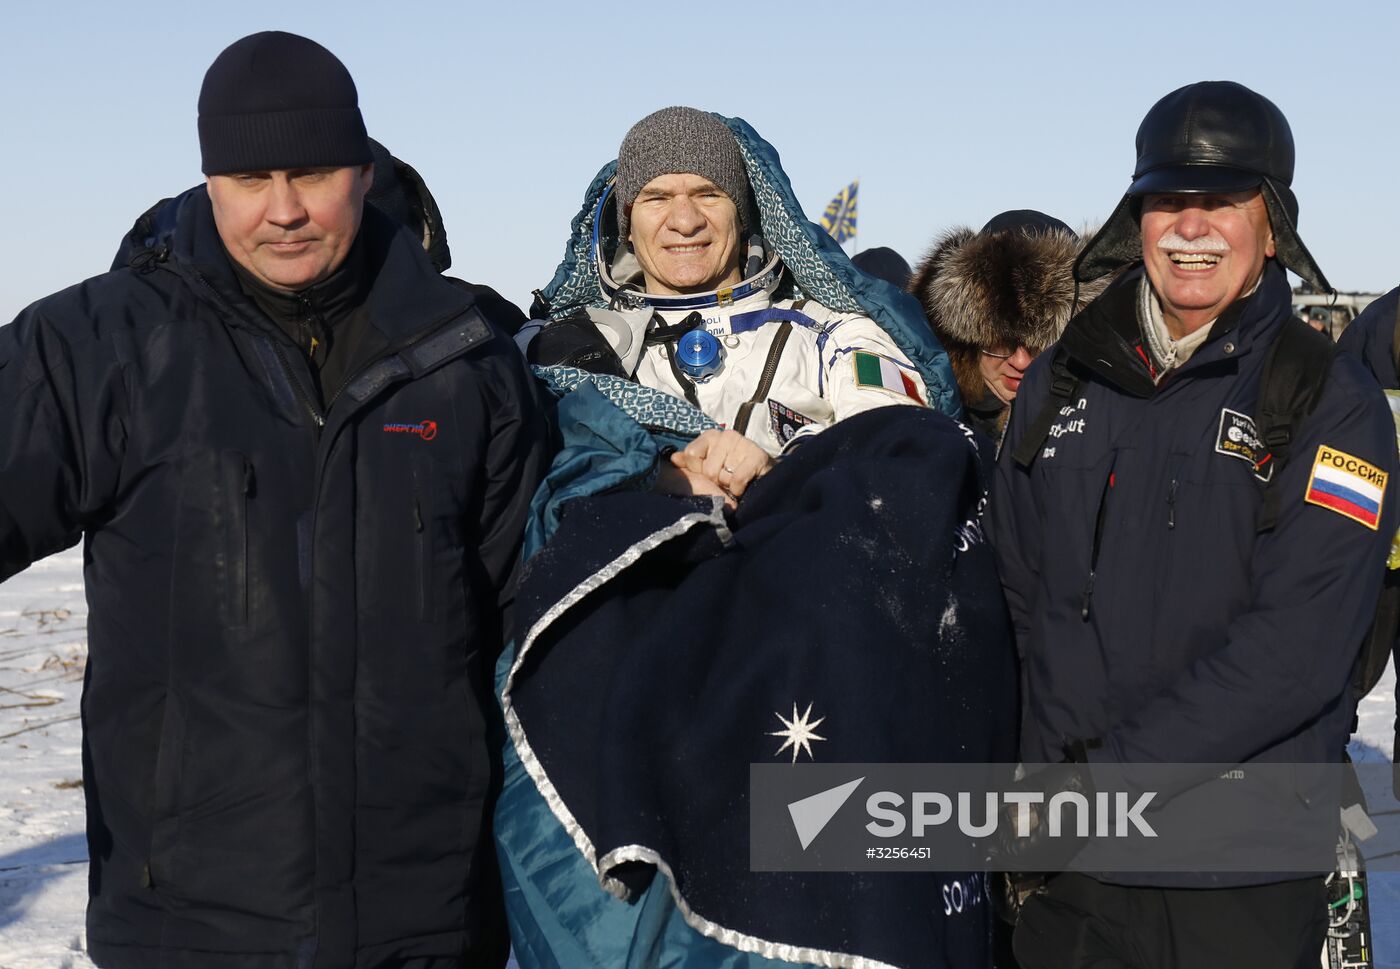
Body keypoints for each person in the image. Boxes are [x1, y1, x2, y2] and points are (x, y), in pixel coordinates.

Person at [0, 31, 548, 968]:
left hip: (426, 922)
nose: (284, 209)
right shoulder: (98, 347)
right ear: (209, 179)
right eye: (251, 178)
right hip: (188, 923)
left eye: (313, 172)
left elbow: (528, 639)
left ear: (366, 172)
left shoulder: (469, 358)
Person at [991, 80, 1398, 968]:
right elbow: (1023, 602)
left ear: (1273, 222)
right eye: (1167, 201)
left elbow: (1298, 653)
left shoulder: (1328, 401)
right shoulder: (1061, 381)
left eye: (1220, 202)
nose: (1190, 227)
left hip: (1236, 874)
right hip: (1071, 875)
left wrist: (1099, 784)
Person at [523, 106, 932, 505]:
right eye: (656, 198)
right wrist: (652, 472)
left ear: (742, 215)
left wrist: (781, 471)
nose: (685, 221)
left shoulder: (835, 336)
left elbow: (899, 454)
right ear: (626, 225)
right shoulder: (563, 353)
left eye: (708, 194)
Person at [909, 210, 1105, 441]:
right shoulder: (922, 426)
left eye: (1042, 341)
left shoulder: (1103, 430)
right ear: (964, 339)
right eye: (1001, 340)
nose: (1020, 362)